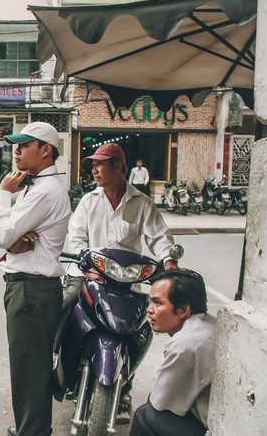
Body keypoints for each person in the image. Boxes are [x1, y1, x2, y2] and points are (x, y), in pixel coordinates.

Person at [66, 143, 178, 420]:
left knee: (142, 329)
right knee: (64, 306)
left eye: (100, 164)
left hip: (128, 285)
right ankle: (57, 367)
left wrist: (169, 261)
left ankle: (123, 384)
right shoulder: (89, 201)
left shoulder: (141, 203)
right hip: (91, 277)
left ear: (118, 167)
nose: (94, 170)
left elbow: (160, 238)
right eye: (92, 165)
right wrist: (85, 263)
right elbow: (76, 237)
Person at [0, 122, 71, 436]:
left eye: (25, 145)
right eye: (16, 144)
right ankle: (30, 427)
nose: (17, 151)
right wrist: (11, 241)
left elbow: (3, 234)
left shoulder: (45, 192)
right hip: (30, 288)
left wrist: (2, 195)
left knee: (30, 370)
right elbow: (10, 238)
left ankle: (32, 430)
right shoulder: (36, 187)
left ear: (46, 150)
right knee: (28, 368)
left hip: (31, 290)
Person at [131, 269, 215, 436]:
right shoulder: (209, 324)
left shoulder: (184, 344)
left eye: (157, 302)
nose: (149, 309)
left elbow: (158, 402)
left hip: (208, 428)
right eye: (150, 302)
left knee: (145, 416)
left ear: (182, 310)